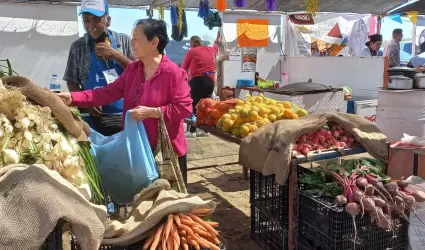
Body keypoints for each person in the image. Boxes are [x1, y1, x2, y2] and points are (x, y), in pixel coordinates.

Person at [58, 19, 193, 184]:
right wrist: (73, 97)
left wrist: (153, 112)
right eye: (132, 38)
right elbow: (107, 93)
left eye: (136, 38)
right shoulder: (133, 70)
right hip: (138, 152)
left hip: (166, 154)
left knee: (170, 205)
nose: (132, 43)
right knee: (144, 201)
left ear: (154, 42)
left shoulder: (174, 73)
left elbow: (184, 108)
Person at [63, 0, 133, 136]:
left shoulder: (124, 41)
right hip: (91, 118)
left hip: (124, 114)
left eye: (96, 20)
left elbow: (139, 73)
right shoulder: (77, 47)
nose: (91, 26)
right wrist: (86, 104)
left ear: (108, 20)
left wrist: (116, 55)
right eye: (86, 20)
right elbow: (71, 81)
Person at [181, 32, 220, 137]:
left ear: (192, 43)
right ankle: (204, 130)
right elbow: (216, 46)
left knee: (195, 106)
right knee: (206, 105)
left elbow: (183, 67)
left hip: (197, 81)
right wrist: (218, 39)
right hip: (210, 82)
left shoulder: (192, 51)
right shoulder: (210, 50)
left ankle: (193, 131)